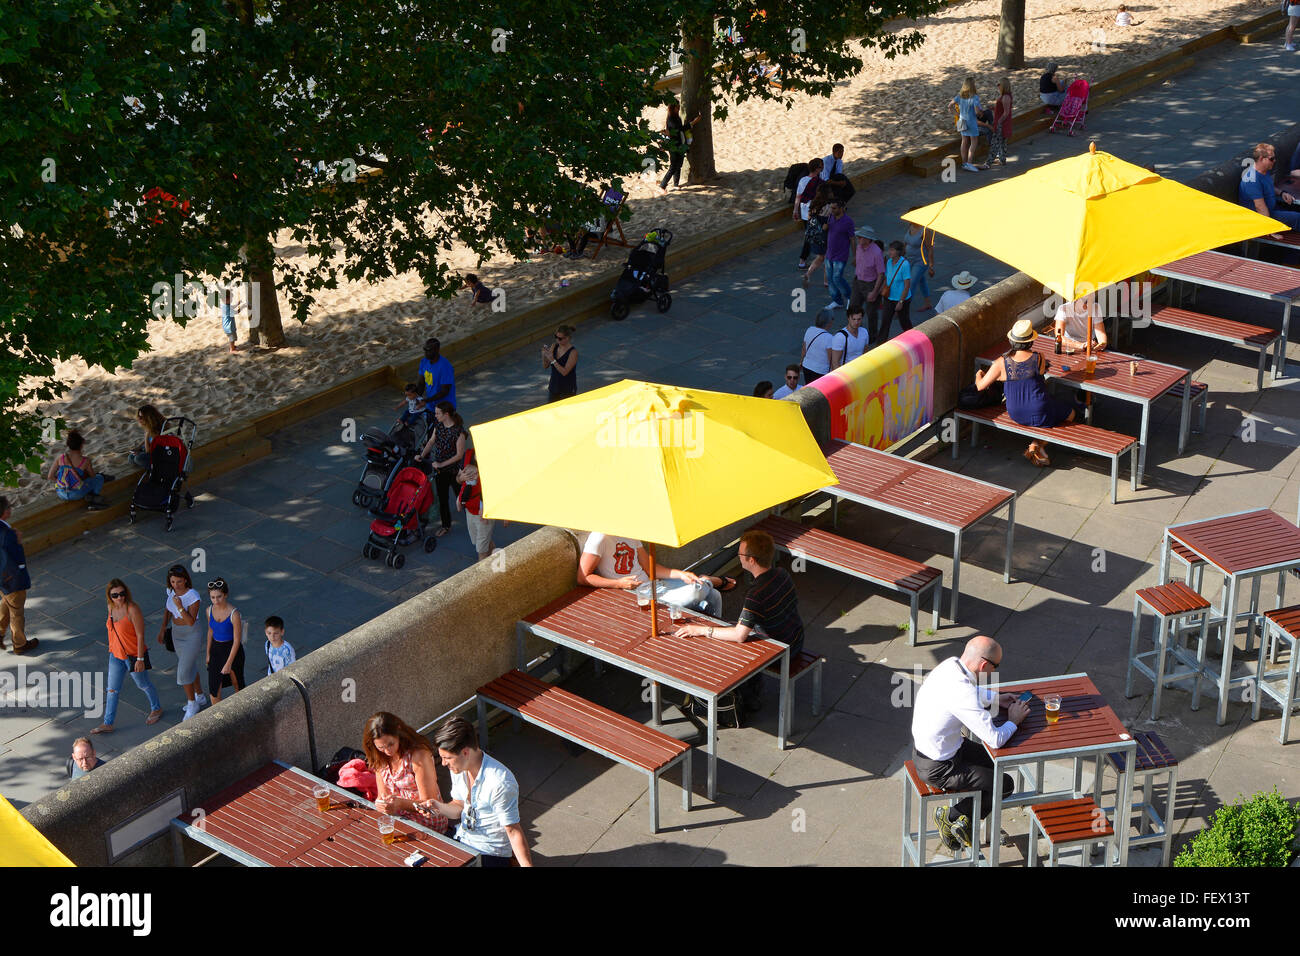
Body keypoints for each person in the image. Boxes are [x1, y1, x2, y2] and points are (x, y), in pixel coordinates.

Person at [912, 636, 1029, 851]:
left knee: (995, 767)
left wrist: (996, 699)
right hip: (940, 768)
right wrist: (1014, 720)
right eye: (997, 666)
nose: (995, 672)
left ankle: (964, 821)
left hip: (937, 751)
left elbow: (968, 693)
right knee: (1004, 784)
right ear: (985, 665)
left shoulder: (950, 666)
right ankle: (951, 817)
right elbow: (995, 739)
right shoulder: (961, 691)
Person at [673, 528, 802, 712]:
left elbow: (740, 635)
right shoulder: (782, 574)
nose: (738, 557)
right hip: (796, 640)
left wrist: (701, 630)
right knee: (732, 627)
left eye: (740, 553)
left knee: (720, 640)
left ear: (751, 560)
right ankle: (749, 688)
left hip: (780, 652)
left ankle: (736, 699)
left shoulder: (756, 594)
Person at [428, 717, 532, 867]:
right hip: (462, 838)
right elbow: (458, 807)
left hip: (489, 852)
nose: (443, 763)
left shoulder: (500, 782)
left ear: (465, 752)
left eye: (447, 758)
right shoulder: (458, 768)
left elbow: (513, 831)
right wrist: (438, 807)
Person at [975, 319, 1079, 467]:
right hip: (1040, 411)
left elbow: (980, 386)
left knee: (1052, 407)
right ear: (1030, 341)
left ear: (1012, 341)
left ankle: (1038, 446)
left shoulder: (1001, 362)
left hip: (1015, 413)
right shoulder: (1039, 357)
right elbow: (1042, 372)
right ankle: (1037, 444)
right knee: (1070, 413)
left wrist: (979, 374)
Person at [578, 532, 731, 616]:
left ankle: (712, 636)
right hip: (635, 594)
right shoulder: (599, 537)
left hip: (654, 586)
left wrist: (681, 575)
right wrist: (618, 584)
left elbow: (649, 568)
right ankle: (708, 580)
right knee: (697, 591)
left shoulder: (630, 531)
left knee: (714, 595)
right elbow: (583, 577)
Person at [92, 579, 163, 733]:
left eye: (122, 594)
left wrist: (140, 659)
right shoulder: (110, 608)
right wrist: (112, 649)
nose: (119, 598)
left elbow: (140, 635)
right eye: (115, 595)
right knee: (112, 690)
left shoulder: (132, 609)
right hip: (115, 655)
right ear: (109, 596)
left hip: (132, 655)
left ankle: (156, 708)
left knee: (143, 684)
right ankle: (108, 723)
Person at [363, 711, 451, 834]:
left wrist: (400, 804)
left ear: (399, 732)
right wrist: (381, 803)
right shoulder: (379, 756)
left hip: (426, 823)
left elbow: (430, 804)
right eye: (381, 747)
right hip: (397, 819)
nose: (387, 751)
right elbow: (382, 795)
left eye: (391, 744)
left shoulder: (419, 755)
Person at [159, 565, 208, 720]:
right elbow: (167, 610)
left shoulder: (193, 596)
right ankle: (200, 695)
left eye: (179, 581)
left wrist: (180, 606)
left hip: (191, 634)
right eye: (173, 582)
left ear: (186, 580)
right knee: (189, 666)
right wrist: (162, 628)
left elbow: (190, 621)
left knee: (183, 671)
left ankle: (192, 702)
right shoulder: (171, 591)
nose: (176, 585)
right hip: (176, 633)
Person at [417, 401, 467, 537]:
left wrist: (441, 464)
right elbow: (431, 441)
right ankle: (446, 525)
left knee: (462, 497)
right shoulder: (438, 426)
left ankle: (474, 518)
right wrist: (421, 455)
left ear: (446, 414)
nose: (435, 415)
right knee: (442, 499)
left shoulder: (459, 432)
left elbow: (459, 455)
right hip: (440, 471)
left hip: (455, 472)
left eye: (438, 413)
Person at [0, 497, 36, 655]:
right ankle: (20, 644)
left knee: (7, 603)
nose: (10, 509)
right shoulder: (8, 534)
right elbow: (16, 557)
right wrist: (18, 541)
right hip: (11, 579)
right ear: (5, 512)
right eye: (9, 507)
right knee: (17, 612)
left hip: (2, 580)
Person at [1240, 143, 1300, 231]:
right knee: (1298, 217)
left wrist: (1282, 193)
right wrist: (1270, 231)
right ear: (1261, 159)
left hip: (1272, 208)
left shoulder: (1264, 171)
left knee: (1296, 208)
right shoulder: (1252, 181)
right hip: (1261, 217)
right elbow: (1260, 207)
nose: (1274, 160)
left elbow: (1269, 186)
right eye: (1271, 158)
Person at [47, 430, 111, 511]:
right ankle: (93, 497)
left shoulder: (61, 458)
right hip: (77, 494)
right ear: (81, 445)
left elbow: (50, 476)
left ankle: (91, 496)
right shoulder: (85, 461)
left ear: (68, 445)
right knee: (99, 478)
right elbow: (92, 476)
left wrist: (65, 482)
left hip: (61, 493)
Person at [205, 577, 244, 702]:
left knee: (237, 683)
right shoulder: (208, 610)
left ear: (225, 595)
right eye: (213, 597)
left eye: (219, 596)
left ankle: (243, 711)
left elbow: (237, 640)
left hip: (232, 650)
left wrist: (228, 663)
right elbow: (210, 631)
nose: (216, 600)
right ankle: (217, 718)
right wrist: (207, 653)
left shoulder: (234, 614)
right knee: (214, 688)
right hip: (216, 649)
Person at [456, 449, 496, 561]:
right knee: (481, 542)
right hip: (470, 510)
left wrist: (484, 509)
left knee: (481, 551)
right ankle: (496, 557)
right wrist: (461, 478)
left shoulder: (492, 458)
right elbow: (458, 479)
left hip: (483, 512)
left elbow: (496, 485)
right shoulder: (467, 455)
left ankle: (483, 575)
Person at [875, 240, 912, 344]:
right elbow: (887, 278)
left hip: (901, 299)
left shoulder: (905, 264)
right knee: (885, 322)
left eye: (892, 250)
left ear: (898, 252)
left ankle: (913, 340)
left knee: (904, 322)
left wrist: (901, 302)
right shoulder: (889, 262)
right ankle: (880, 344)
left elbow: (907, 285)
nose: (889, 252)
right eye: (889, 249)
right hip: (889, 298)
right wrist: (882, 291)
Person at [847, 225, 885, 325]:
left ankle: (873, 336)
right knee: (853, 308)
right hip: (858, 281)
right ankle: (856, 331)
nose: (858, 238)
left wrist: (874, 292)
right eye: (858, 236)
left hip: (870, 284)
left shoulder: (877, 252)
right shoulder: (859, 247)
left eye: (860, 237)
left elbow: (881, 274)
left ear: (868, 239)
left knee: (871, 312)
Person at [659, 102, 700, 192]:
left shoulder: (677, 117)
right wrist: (693, 123)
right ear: (673, 109)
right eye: (677, 107)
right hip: (673, 146)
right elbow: (679, 130)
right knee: (673, 166)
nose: (679, 109)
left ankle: (675, 184)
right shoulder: (670, 119)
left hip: (681, 144)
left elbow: (680, 130)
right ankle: (662, 186)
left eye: (679, 107)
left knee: (679, 165)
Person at [824, 201, 856, 312]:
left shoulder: (848, 222)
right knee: (830, 279)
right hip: (829, 254)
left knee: (837, 278)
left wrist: (855, 256)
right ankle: (837, 301)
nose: (832, 210)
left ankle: (850, 297)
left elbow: (852, 239)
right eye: (831, 208)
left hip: (841, 255)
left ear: (841, 208)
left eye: (834, 208)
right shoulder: (830, 217)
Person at [800, 183, 833, 290]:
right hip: (824, 235)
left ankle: (808, 274)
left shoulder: (813, 204)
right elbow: (829, 223)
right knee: (827, 257)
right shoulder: (828, 207)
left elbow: (809, 218)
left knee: (820, 257)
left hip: (814, 234)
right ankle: (826, 281)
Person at [793, 158, 824, 269]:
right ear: (817, 169)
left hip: (805, 212)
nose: (822, 168)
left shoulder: (802, 180)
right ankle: (803, 260)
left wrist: (795, 210)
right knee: (810, 236)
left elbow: (798, 197)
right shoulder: (819, 182)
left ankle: (814, 256)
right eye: (821, 167)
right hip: (815, 211)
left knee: (810, 234)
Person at [950, 78, 984, 173]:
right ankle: (969, 163)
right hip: (971, 121)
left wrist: (957, 114)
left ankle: (964, 163)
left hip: (961, 120)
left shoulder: (959, 96)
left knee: (964, 141)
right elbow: (977, 111)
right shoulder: (974, 97)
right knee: (973, 141)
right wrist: (980, 113)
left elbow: (950, 106)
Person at [417, 337, 457, 414]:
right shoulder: (424, 362)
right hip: (431, 407)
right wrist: (415, 398)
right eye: (424, 350)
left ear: (436, 350)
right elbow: (421, 383)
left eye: (428, 350)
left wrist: (426, 400)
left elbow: (444, 391)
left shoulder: (445, 367)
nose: (425, 353)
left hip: (445, 409)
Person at [903, 215, 935, 311]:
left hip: (921, 261)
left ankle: (903, 308)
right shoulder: (911, 226)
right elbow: (906, 242)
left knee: (911, 283)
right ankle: (928, 303)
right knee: (921, 281)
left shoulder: (925, 231)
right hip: (909, 259)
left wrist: (931, 266)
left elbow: (930, 249)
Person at [541, 325, 578, 403]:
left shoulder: (573, 352)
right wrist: (544, 356)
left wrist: (553, 360)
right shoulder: (554, 346)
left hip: (567, 389)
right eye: (556, 337)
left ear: (567, 338)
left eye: (560, 338)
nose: (557, 340)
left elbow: (564, 372)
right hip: (554, 386)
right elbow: (545, 366)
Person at [800, 311, 834, 385]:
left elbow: (804, 349)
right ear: (829, 323)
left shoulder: (809, 330)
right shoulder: (829, 338)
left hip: (807, 367)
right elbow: (831, 359)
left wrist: (801, 362)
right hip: (821, 371)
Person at [128, 404, 166, 470]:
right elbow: (149, 440)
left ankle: (153, 470)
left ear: (149, 417)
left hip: (159, 454)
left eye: (142, 417)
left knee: (138, 458)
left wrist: (147, 434)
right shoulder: (151, 425)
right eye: (139, 416)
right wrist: (138, 447)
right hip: (151, 449)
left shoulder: (158, 429)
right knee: (131, 457)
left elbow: (149, 451)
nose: (139, 419)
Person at [986, 79, 1013, 167]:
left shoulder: (1005, 97)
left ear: (1003, 86)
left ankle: (988, 163)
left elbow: (1006, 112)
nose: (998, 86)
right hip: (1002, 123)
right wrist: (994, 108)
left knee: (995, 143)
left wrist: (999, 122)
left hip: (1001, 124)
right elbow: (1002, 110)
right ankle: (1002, 160)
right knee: (1002, 143)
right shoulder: (1004, 96)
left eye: (999, 84)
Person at [219, 288, 243, 353]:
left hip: (227, 325)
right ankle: (232, 349)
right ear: (226, 299)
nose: (232, 300)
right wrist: (242, 307)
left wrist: (237, 304)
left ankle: (233, 346)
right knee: (232, 338)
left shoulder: (224, 305)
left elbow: (232, 306)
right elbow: (235, 312)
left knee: (232, 337)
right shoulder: (227, 308)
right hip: (229, 326)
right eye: (231, 299)